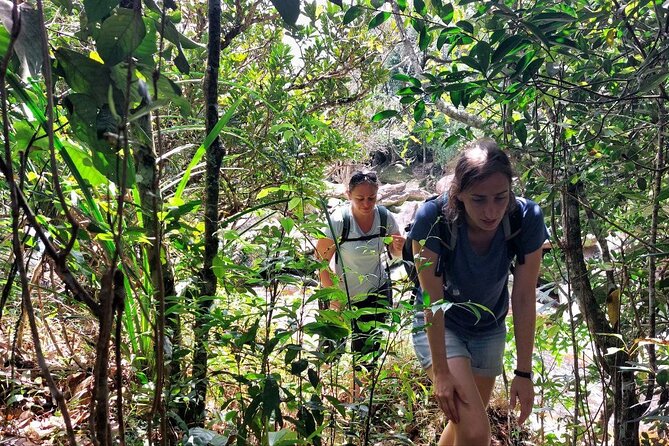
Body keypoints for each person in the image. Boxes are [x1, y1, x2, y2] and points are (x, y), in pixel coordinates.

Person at [410, 138, 549, 445]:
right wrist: (442, 372)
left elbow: (525, 296)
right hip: (440, 324)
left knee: (463, 426)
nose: (491, 211)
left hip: (489, 326)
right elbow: (432, 299)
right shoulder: (432, 219)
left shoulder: (525, 219)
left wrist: (523, 373)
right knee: (475, 430)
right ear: (459, 195)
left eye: (500, 198)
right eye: (478, 199)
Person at [315, 171, 405, 370]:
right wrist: (335, 298)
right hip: (339, 293)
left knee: (367, 355)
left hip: (374, 292)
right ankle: (326, 395)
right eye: (360, 198)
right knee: (330, 352)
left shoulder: (384, 217)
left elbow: (395, 253)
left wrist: (398, 248)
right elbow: (320, 261)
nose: (366, 204)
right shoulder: (339, 221)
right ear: (348, 195)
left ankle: (361, 396)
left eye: (371, 198)